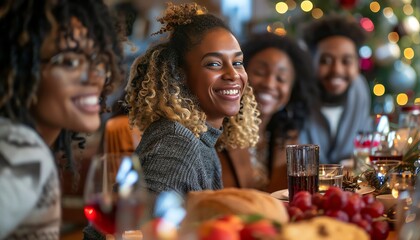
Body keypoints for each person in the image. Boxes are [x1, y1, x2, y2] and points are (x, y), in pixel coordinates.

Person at [0, 0, 123, 238]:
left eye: (97, 58)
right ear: (20, 72)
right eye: (69, 61)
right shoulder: (21, 150)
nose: (96, 75)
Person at [126, 2, 259, 196]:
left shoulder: (199, 138)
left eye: (237, 62)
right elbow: (146, 225)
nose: (233, 74)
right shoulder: (175, 144)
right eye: (214, 64)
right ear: (180, 75)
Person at [218, 32, 318, 193]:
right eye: (260, 73)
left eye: (281, 79)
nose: (270, 83)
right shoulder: (217, 133)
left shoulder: (286, 137)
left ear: (292, 90)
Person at [299, 14, 373, 165]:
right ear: (312, 62)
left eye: (346, 61)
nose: (337, 70)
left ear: (358, 65)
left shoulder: (360, 90)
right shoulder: (298, 97)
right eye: (325, 61)